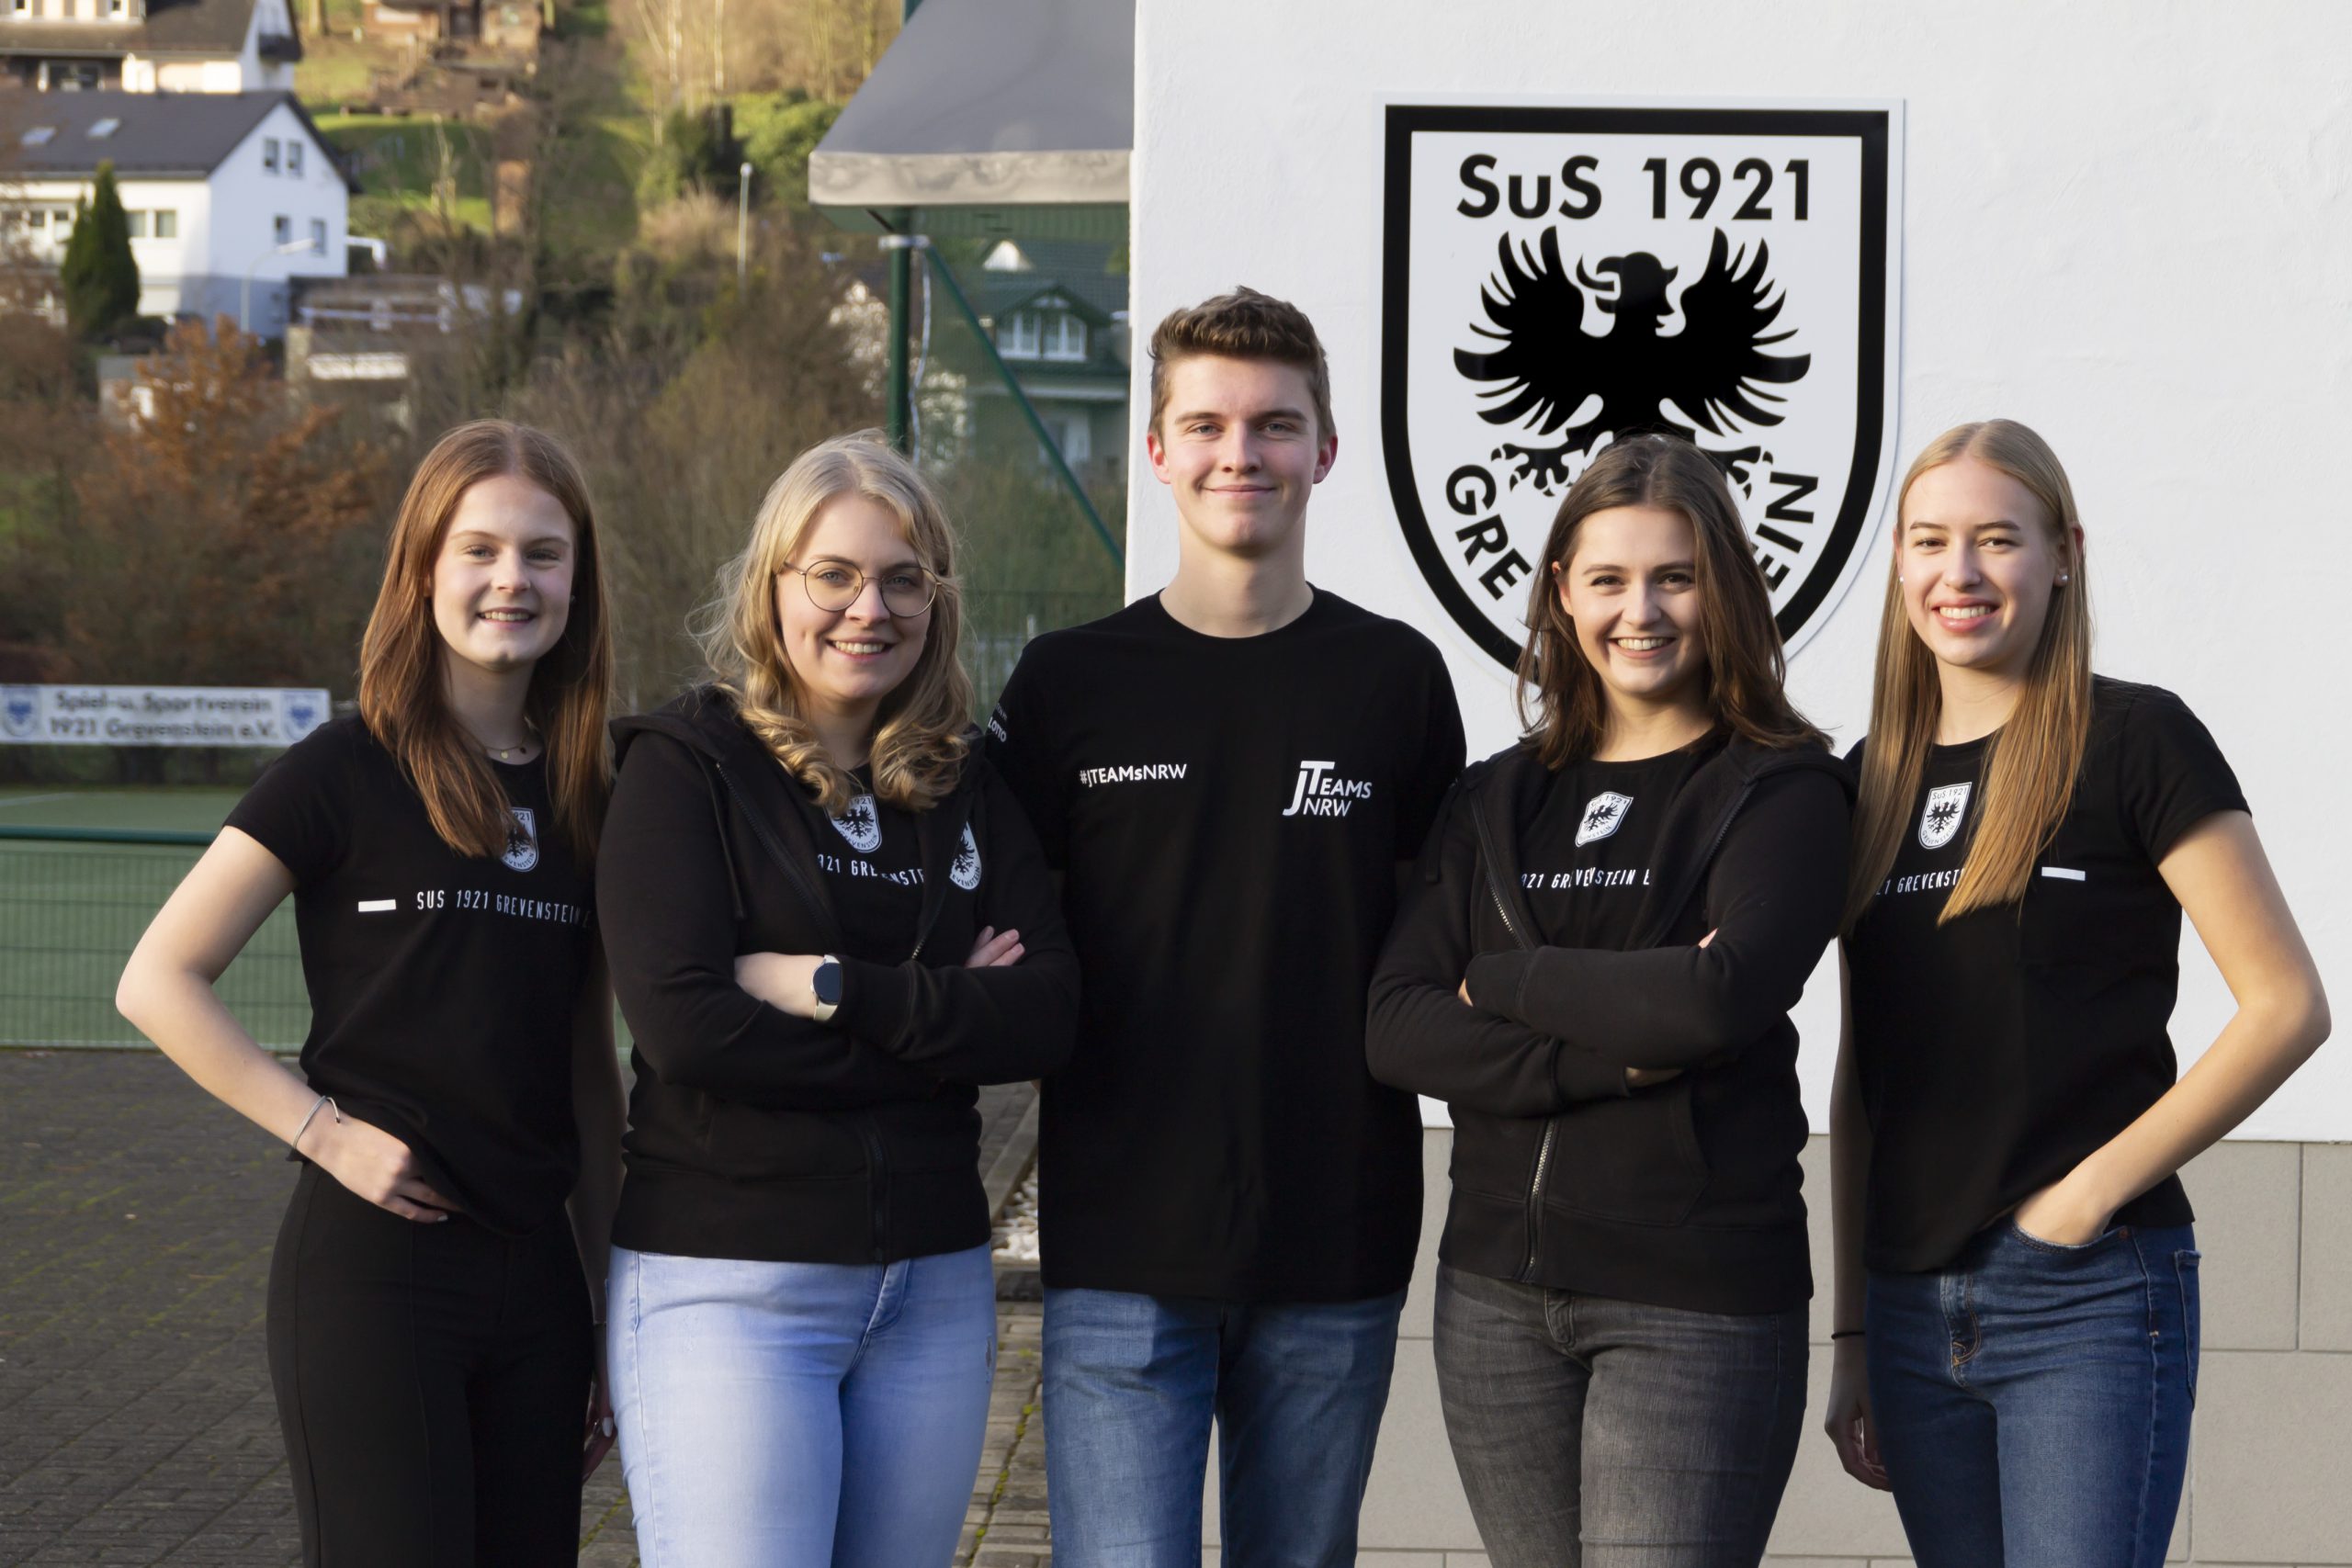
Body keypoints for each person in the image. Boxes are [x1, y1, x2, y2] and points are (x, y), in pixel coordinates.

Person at [984, 286, 1464, 1566]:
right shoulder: (1068, 684)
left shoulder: (1396, 681)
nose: (1237, 453)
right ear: (1155, 449)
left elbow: (1437, 950)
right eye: (1203, 423)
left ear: (1326, 448)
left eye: (1273, 424)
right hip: (1121, 1237)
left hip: (1338, 1231)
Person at [1820, 420, 2330, 1567]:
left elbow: (2286, 1006)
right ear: (1898, 563)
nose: (1960, 575)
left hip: (2085, 1297)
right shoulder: (1867, 782)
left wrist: (2081, 1199)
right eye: (1930, 543)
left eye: (1997, 540)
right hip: (1907, 1309)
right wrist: (1850, 1326)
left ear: (2064, 554)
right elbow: (1864, 1076)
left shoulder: (2136, 741)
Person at [116, 420, 621, 1567]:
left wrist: (608, 1304)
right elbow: (156, 979)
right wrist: (321, 1132)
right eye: (479, 549)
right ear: (424, 571)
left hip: (541, 1287)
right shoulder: (344, 770)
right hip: (376, 1275)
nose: (512, 579)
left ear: (579, 580)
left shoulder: (596, 789)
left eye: (543, 554)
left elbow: (591, 1071)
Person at [1365, 433, 1849, 1567]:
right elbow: (1395, 1021)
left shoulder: (1783, 788)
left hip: (1693, 1302)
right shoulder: (1493, 798)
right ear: (1561, 596)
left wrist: (1510, 981)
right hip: (1491, 1294)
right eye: (1609, 580)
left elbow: (1714, 1000)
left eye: (1675, 577)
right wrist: (1599, 1055)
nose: (1643, 610)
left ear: (1723, 590)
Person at [594, 433, 1078, 1568]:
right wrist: (947, 1023)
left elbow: (1051, 1012)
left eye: (904, 579)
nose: (870, 608)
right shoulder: (685, 766)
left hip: (932, 1290)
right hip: (730, 1287)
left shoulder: (962, 783)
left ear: (937, 602)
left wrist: (827, 989)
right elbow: (687, 1030)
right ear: (774, 586)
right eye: (836, 575)